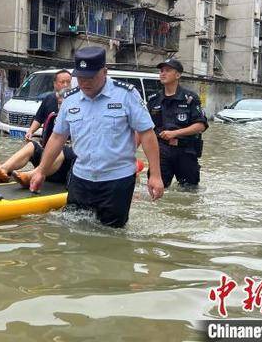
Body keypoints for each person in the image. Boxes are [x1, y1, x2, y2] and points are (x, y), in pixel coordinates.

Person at [29, 46, 164, 228]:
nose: (85, 83)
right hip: (81, 178)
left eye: (91, 77)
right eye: (81, 77)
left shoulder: (126, 94)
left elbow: (147, 134)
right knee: (73, 230)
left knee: (111, 237)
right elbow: (57, 138)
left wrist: (155, 175)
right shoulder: (71, 100)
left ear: (105, 72)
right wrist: (41, 171)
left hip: (117, 181)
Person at [0, 90, 76, 187]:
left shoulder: (78, 119)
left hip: (67, 168)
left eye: (63, 104)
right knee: (32, 145)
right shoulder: (56, 117)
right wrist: (30, 132)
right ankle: (3, 169)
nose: (61, 107)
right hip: (49, 165)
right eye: (59, 104)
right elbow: (42, 125)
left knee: (61, 150)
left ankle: (31, 176)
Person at [146, 58, 208, 188]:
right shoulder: (154, 100)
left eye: (168, 70)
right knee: (157, 190)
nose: (163, 73)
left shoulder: (190, 98)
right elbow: (143, 127)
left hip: (185, 151)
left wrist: (175, 133)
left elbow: (200, 125)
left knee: (189, 193)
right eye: (161, 71)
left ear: (178, 75)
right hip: (161, 151)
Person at [25, 69, 72, 141]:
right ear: (55, 84)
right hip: (48, 141)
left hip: (67, 143)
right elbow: (38, 119)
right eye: (62, 82)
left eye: (68, 82)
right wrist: (30, 131)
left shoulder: (76, 100)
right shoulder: (49, 98)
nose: (65, 85)